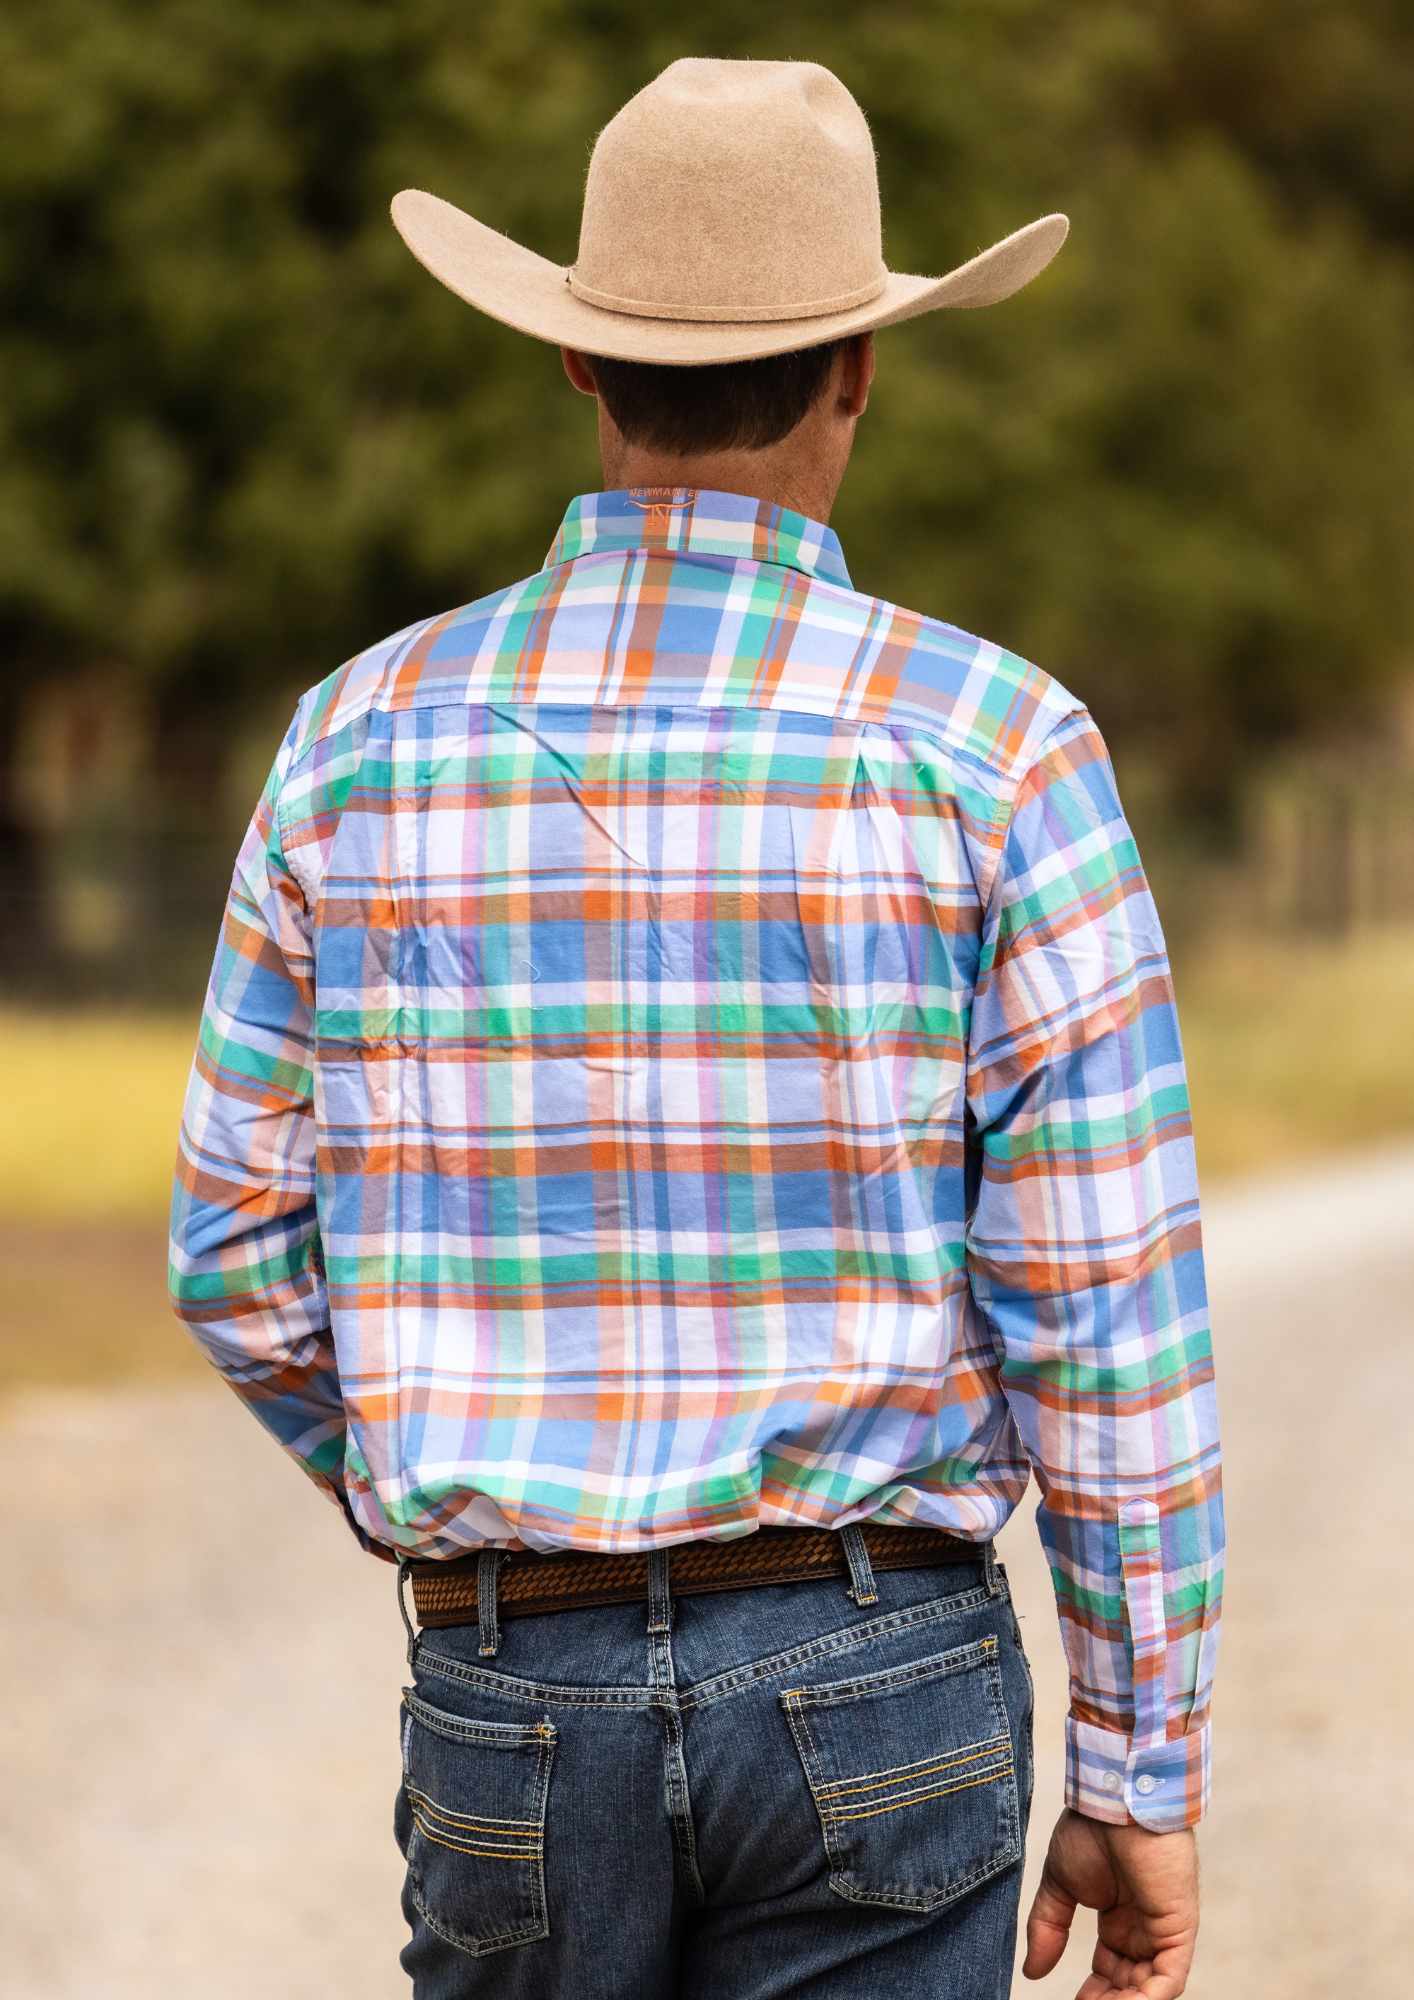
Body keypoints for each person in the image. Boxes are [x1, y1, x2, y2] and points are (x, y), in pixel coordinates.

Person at [169, 58, 1222, 2000]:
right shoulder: (996, 746)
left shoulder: (355, 740)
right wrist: (1134, 1765)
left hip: (511, 1681)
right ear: (859, 369)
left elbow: (235, 1251)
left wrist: (454, 1485)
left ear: (578, 358)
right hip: (878, 1663)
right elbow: (1101, 1305)